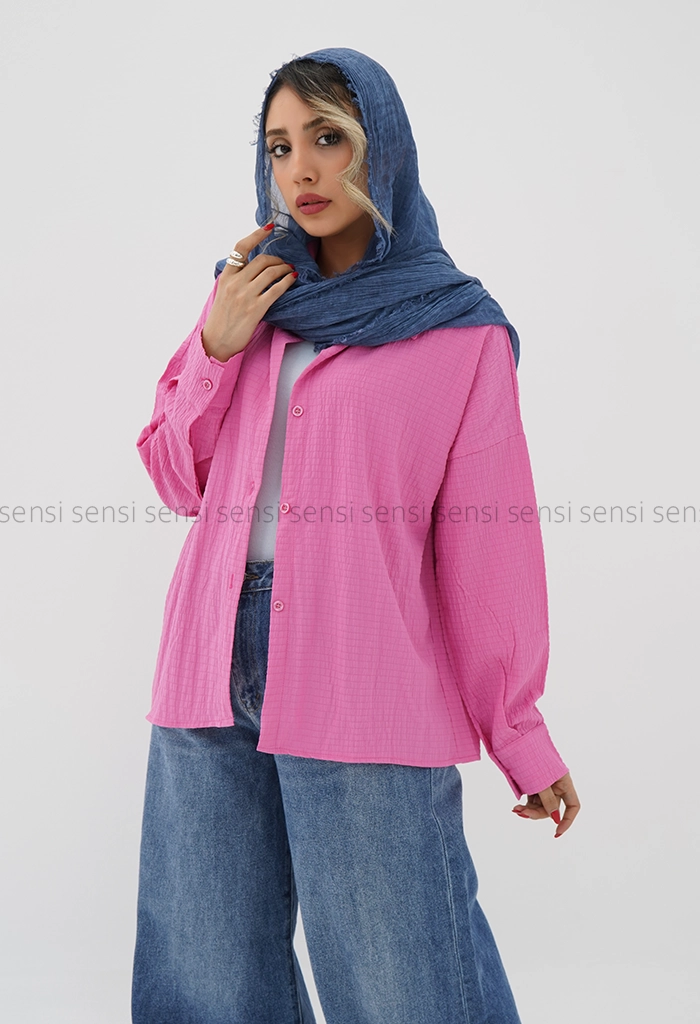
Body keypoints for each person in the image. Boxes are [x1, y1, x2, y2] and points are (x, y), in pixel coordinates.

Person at [131, 47, 581, 1024]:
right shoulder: (245, 298)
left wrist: (519, 732)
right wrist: (214, 346)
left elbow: (488, 553)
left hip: (363, 667)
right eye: (279, 145)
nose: (300, 168)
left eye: (328, 137)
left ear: (384, 148)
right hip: (206, 665)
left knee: (400, 979)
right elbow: (174, 478)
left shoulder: (460, 333)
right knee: (206, 979)